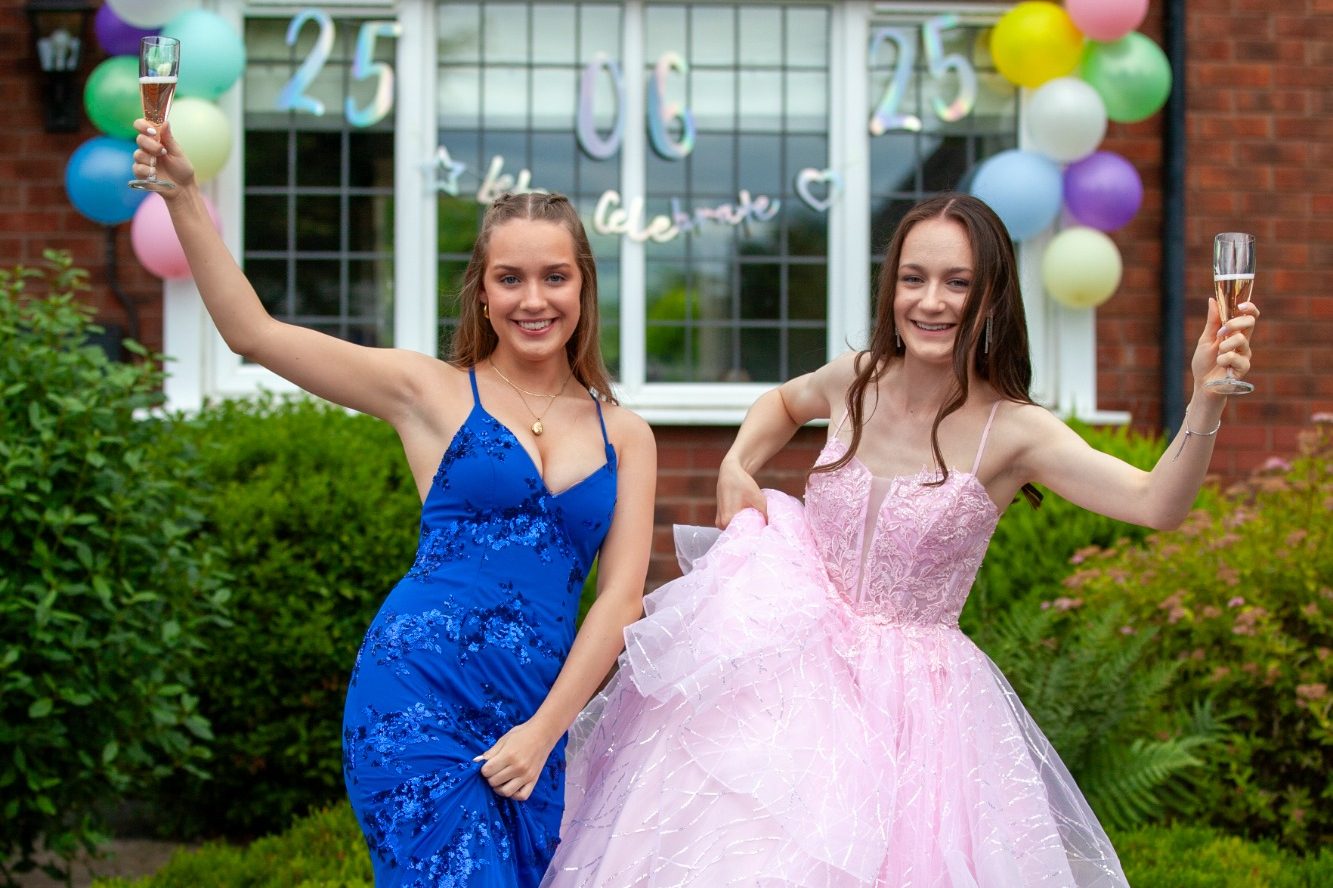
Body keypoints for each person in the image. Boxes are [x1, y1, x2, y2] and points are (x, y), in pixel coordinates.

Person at [542, 193, 1258, 887]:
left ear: (991, 298)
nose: (930, 301)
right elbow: (782, 402)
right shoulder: (857, 381)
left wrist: (1203, 399)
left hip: (914, 714)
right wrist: (737, 463)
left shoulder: (1011, 431)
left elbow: (1155, 503)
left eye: (957, 283)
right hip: (788, 665)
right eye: (912, 279)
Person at [132, 121, 656, 887]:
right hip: (414, 698)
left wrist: (545, 733)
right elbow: (253, 334)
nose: (533, 299)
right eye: (510, 278)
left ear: (583, 285)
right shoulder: (429, 392)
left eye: (554, 277)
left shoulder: (627, 436)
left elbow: (621, 603)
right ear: (482, 287)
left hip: (532, 720)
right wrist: (182, 195)